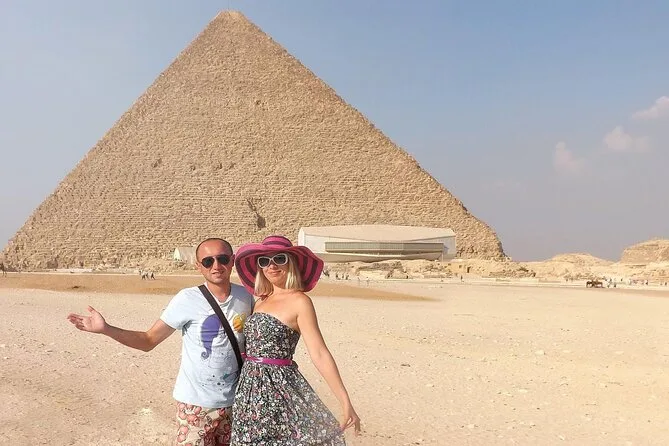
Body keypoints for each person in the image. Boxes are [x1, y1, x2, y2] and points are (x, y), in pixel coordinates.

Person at [67, 238, 254, 446]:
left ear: (233, 260)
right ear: (198, 266)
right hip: (196, 405)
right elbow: (149, 340)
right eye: (208, 261)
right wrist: (106, 329)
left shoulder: (247, 297)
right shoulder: (187, 299)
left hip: (237, 402)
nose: (216, 266)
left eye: (222, 259)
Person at [231, 235, 361, 445]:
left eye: (279, 259)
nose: (271, 266)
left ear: (291, 263)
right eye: (264, 261)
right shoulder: (261, 300)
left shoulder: (300, 302)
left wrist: (345, 401)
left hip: (279, 388)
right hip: (248, 388)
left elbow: (319, 353)